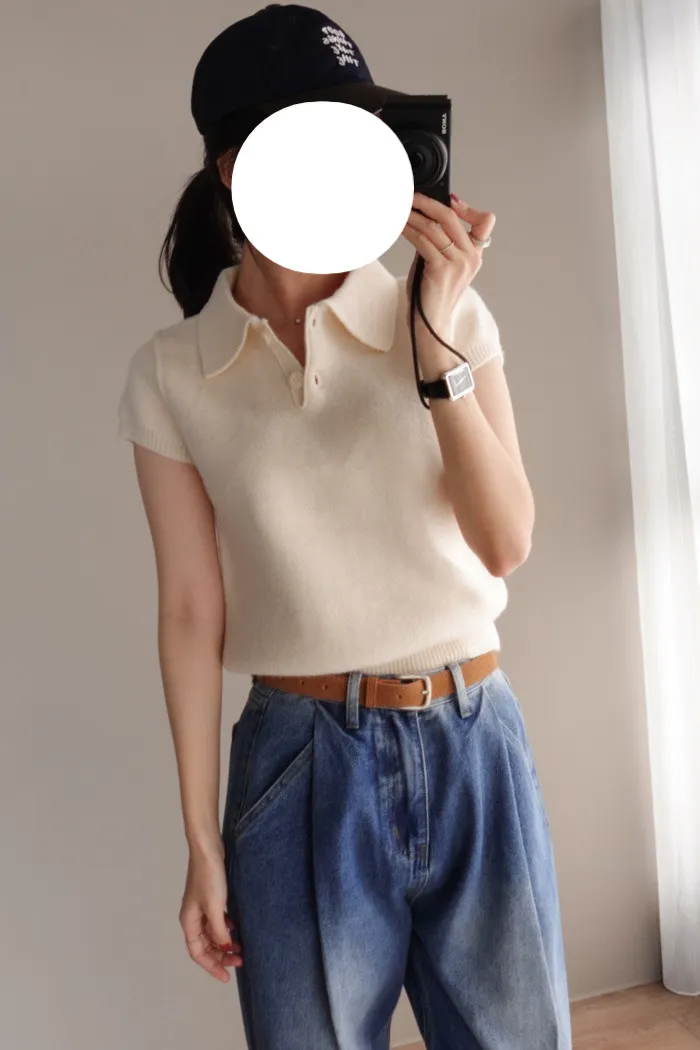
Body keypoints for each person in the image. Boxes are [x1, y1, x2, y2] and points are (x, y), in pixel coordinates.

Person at [117, 5, 572, 1048]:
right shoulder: (173, 374)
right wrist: (200, 844)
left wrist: (434, 346)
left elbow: (506, 543)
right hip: (299, 760)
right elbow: (189, 614)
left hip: (475, 736)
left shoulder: (445, 312)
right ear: (236, 168)